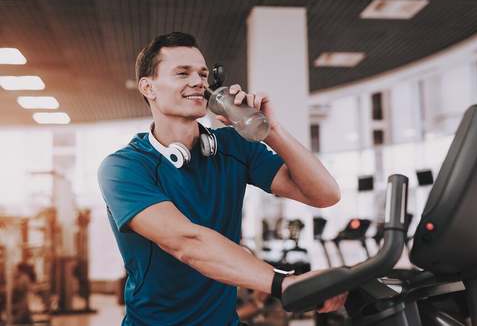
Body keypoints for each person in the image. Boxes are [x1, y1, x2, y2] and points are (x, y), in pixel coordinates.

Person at [98, 32, 345, 326]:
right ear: (148, 87)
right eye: (182, 73)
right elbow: (187, 242)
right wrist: (284, 282)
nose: (198, 82)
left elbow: (325, 194)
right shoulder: (124, 167)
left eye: (203, 74)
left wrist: (271, 130)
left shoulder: (233, 146)